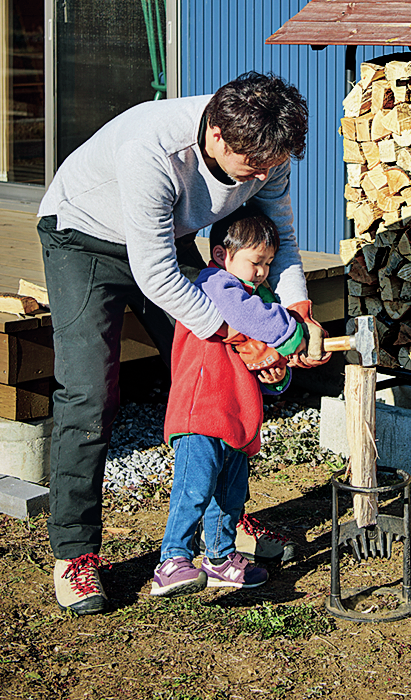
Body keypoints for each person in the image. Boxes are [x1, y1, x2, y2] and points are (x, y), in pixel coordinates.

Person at [37, 71, 328, 615]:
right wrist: (242, 335)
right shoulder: (154, 150)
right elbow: (157, 276)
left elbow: (282, 241)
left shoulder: (266, 148)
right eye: (256, 167)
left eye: (274, 164)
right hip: (84, 238)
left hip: (164, 239)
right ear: (217, 136)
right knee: (89, 395)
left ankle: (224, 524)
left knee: (221, 375)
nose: (265, 176)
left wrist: (293, 313)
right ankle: (75, 554)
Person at [151, 210, 306, 597]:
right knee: (194, 488)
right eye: (256, 262)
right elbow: (247, 315)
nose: (262, 272)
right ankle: (172, 559)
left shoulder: (258, 301)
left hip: (238, 415)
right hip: (201, 411)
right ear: (222, 254)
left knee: (230, 495)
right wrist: (293, 332)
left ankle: (219, 558)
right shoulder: (214, 286)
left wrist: (277, 374)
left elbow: (260, 359)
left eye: (269, 264)